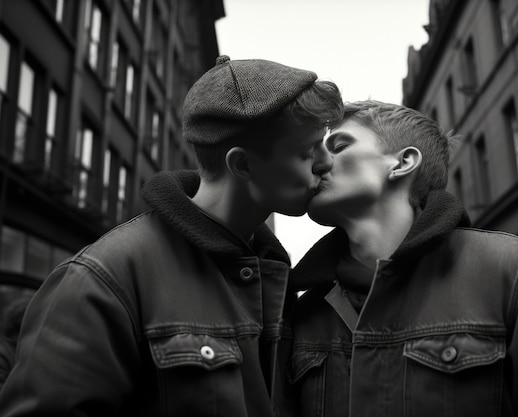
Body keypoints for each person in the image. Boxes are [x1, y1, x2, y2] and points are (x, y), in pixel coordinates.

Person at [0, 55, 343, 416]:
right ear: (242, 164)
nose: (326, 162)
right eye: (307, 152)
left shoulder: (276, 274)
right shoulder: (103, 278)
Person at [288, 100, 518, 416]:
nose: (318, 162)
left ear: (403, 163)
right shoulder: (301, 312)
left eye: (340, 145)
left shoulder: (514, 271)